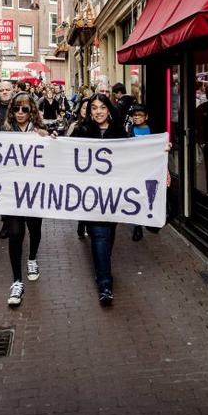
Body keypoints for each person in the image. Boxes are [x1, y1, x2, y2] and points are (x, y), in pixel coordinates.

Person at [0, 92, 51, 306]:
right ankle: (17, 281)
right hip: (11, 194)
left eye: (25, 109)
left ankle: (32, 259)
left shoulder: (40, 133)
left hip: (34, 192)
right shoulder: (1, 131)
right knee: (15, 234)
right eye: (16, 109)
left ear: (32, 112)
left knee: (35, 230)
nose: (20, 113)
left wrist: (52, 140)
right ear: (11, 111)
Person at [75, 93, 129, 306]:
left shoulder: (119, 133)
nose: (98, 111)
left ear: (109, 110)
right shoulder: (82, 131)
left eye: (102, 107)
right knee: (99, 235)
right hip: (91, 196)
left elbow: (134, 156)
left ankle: (103, 267)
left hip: (113, 196)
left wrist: (160, 151)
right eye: (93, 108)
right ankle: (105, 284)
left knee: (109, 235)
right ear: (89, 112)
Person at [0, 79, 16, 239]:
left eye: (7, 89)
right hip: (1, 158)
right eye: (2, 90)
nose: (5, 92)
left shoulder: (19, 107)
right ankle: (6, 222)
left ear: (12, 91)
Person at [66, 96, 92, 239]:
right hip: (79, 170)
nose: (86, 111)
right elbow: (65, 144)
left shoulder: (98, 126)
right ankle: (82, 224)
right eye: (84, 108)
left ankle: (85, 224)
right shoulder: (74, 126)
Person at [127, 103, 154, 242]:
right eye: (134, 115)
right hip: (135, 168)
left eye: (139, 115)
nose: (136, 117)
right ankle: (137, 226)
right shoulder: (130, 130)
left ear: (146, 117)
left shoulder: (152, 130)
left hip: (149, 168)